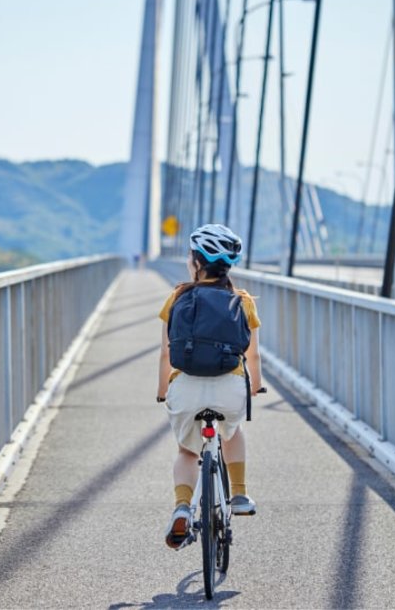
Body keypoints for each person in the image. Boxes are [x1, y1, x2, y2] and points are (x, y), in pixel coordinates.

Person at [156, 223, 263, 549]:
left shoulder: (177, 297)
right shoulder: (242, 301)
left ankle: (183, 507)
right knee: (232, 432)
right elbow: (253, 356)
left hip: (187, 389)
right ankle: (240, 494)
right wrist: (254, 388)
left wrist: (162, 392)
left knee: (187, 450)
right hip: (229, 390)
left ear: (195, 263)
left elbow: (166, 354)